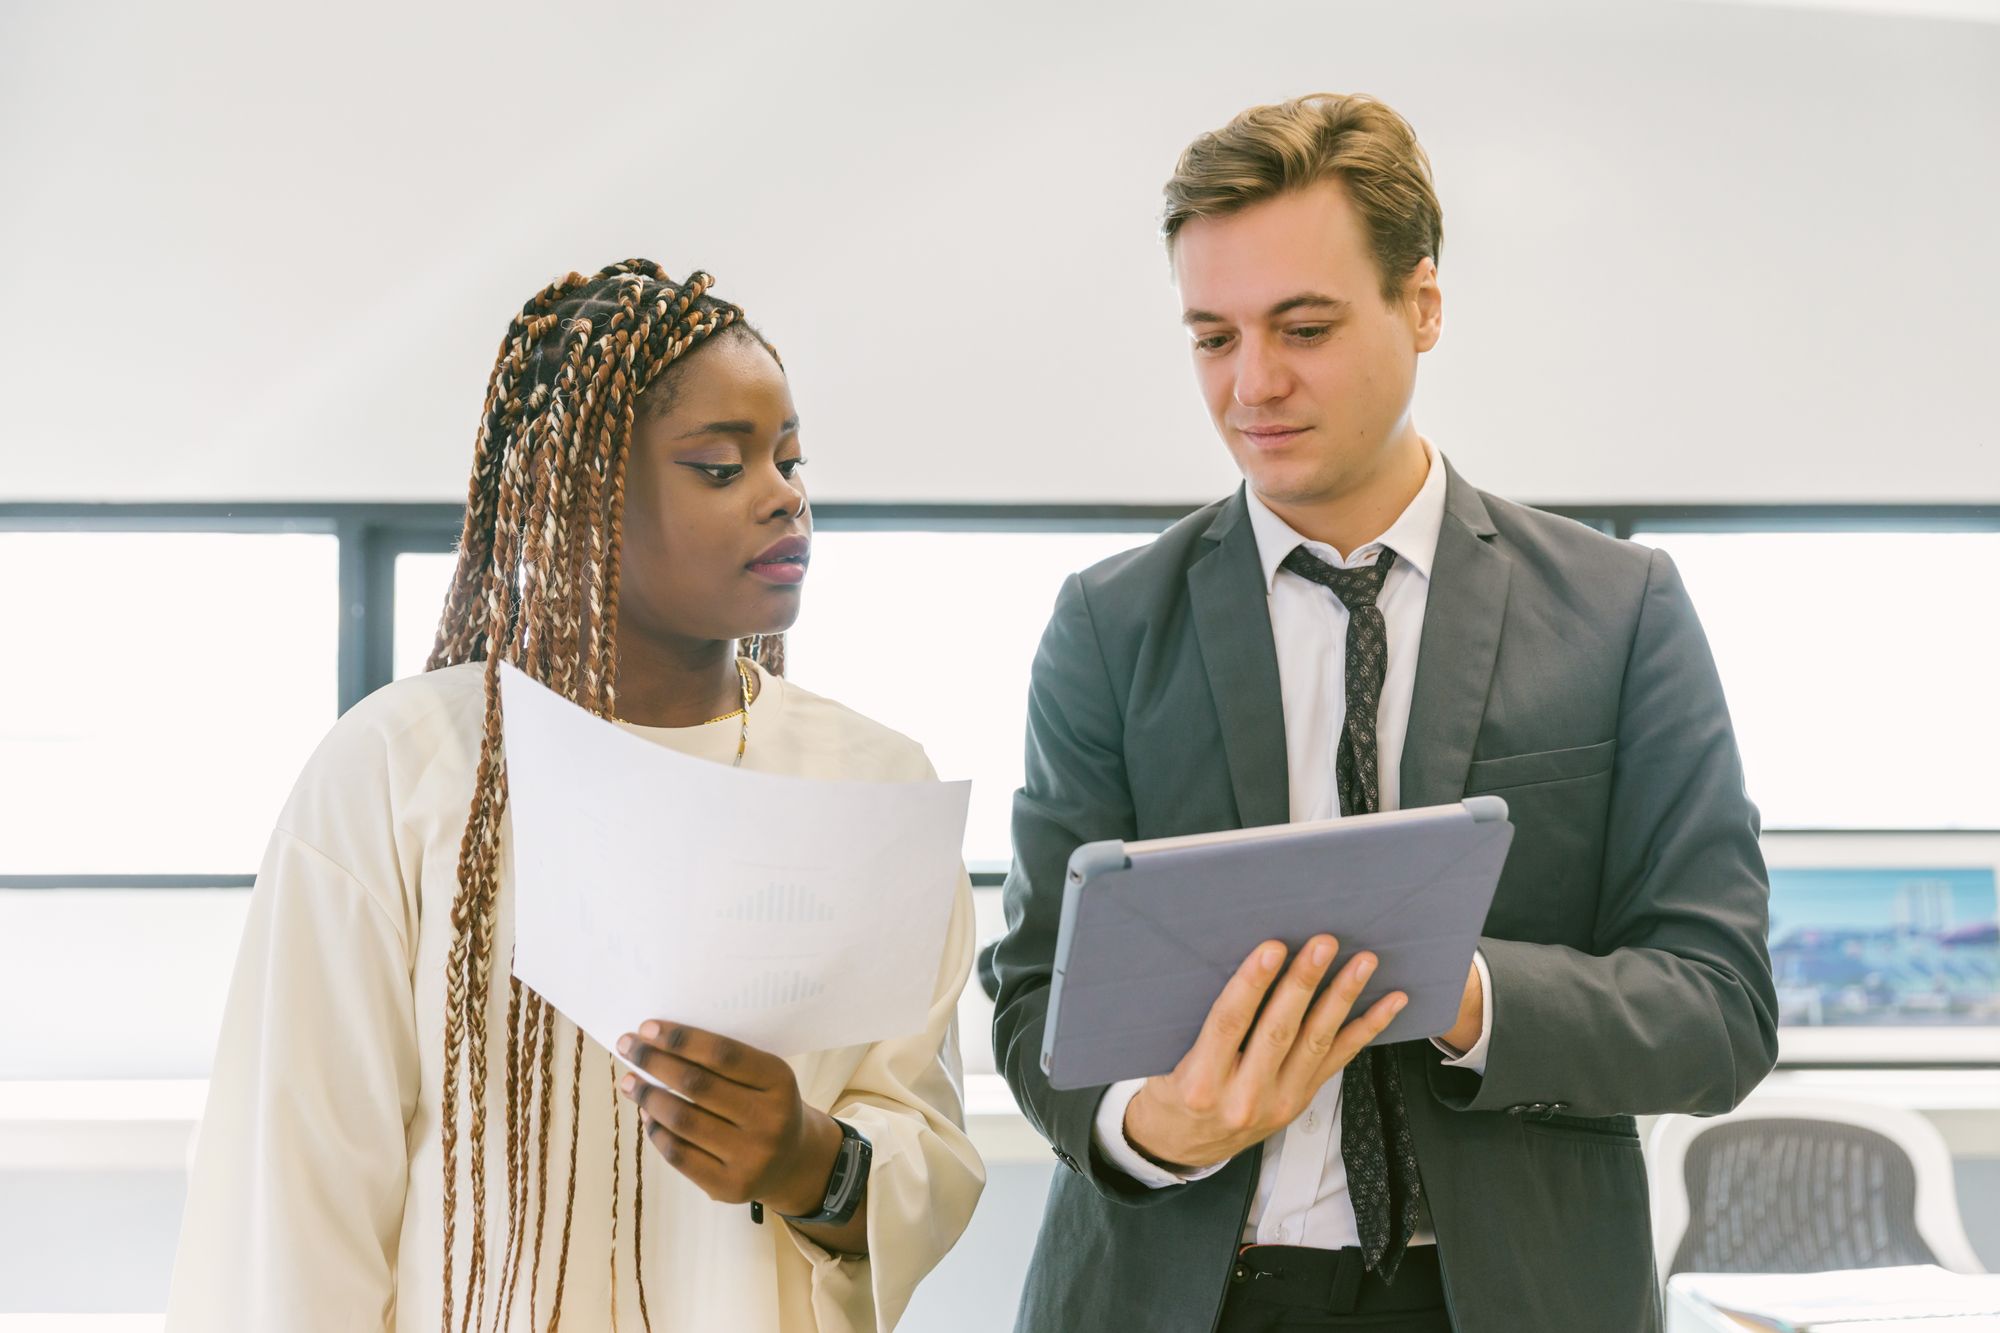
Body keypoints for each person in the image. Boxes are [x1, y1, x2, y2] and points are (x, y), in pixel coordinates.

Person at [990, 95, 1777, 1333]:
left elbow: (1717, 1005)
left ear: (1422, 304)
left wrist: (1458, 992)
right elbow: (1036, 996)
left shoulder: (1620, 609)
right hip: (1183, 1294)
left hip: (1505, 1300)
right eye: (1211, 337)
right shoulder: (1107, 624)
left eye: (1301, 326)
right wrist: (1157, 1124)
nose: (1252, 383)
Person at [168, 261, 984, 1332]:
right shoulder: (403, 770)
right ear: (579, 494)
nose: (783, 493)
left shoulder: (870, 779)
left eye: (787, 458)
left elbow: (921, 1143)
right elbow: (297, 1196)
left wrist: (806, 1161)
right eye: (718, 466)